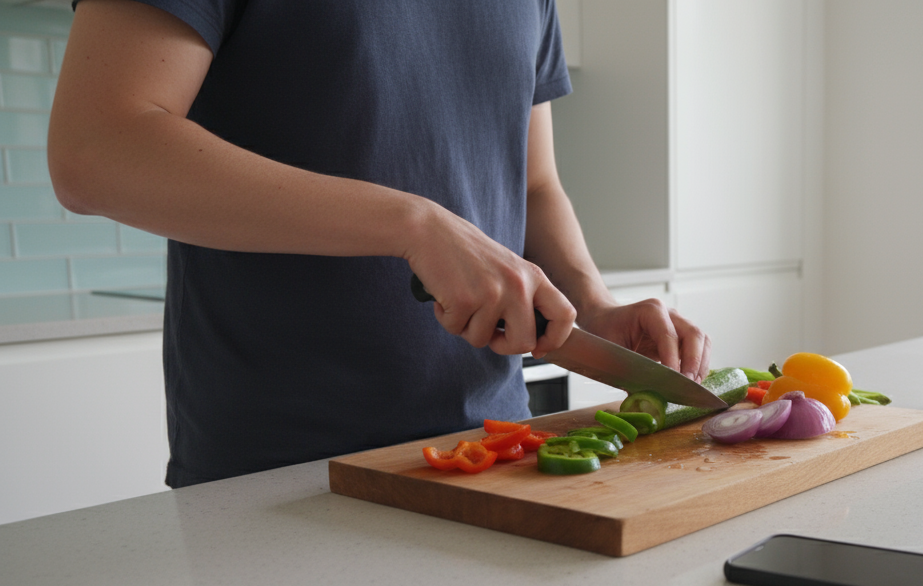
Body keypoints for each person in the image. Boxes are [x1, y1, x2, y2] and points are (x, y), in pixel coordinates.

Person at [48, 0, 710, 487]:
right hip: (280, 481)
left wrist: (592, 303)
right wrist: (413, 224)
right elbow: (94, 150)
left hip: (496, 454)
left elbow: (534, 184)